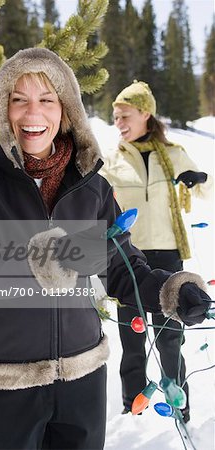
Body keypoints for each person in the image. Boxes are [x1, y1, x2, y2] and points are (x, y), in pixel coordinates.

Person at [0, 50, 211, 450]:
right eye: (19, 99)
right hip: (4, 380)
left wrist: (170, 291)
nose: (33, 112)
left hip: (81, 378)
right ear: (4, 109)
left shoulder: (94, 189)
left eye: (47, 99)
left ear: (65, 110)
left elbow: (123, 268)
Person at [100, 80, 213, 423]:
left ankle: (181, 408)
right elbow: (95, 201)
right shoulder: (111, 159)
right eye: (115, 117)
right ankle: (131, 409)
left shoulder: (175, 154)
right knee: (131, 342)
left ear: (145, 113)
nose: (118, 123)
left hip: (166, 256)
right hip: (125, 260)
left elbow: (208, 191)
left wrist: (199, 178)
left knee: (169, 341)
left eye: (124, 116)